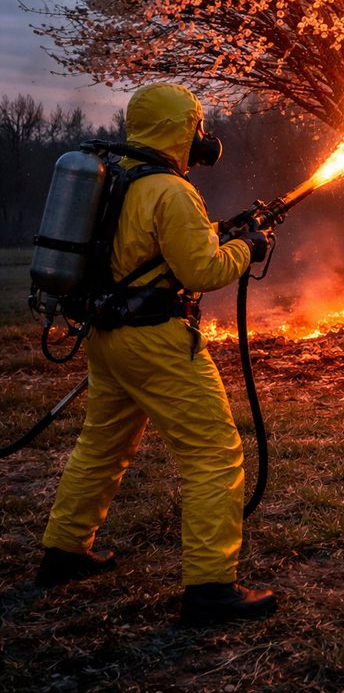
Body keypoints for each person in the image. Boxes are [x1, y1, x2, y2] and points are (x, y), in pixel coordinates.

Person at [34, 82, 277, 627]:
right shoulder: (171, 189)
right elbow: (202, 271)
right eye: (197, 127)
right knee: (214, 453)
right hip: (158, 342)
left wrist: (221, 232)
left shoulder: (118, 178)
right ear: (182, 130)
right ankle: (212, 590)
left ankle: (63, 552)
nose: (203, 138)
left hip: (108, 337)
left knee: (103, 443)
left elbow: (147, 250)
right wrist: (248, 247)